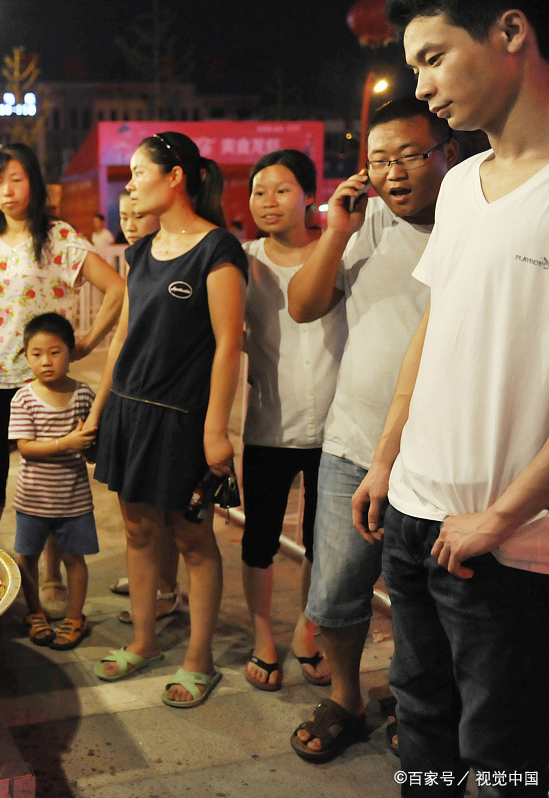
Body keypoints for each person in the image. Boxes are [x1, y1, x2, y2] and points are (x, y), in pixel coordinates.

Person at [353, 2, 549, 792]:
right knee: (421, 719)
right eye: (415, 66)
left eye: (434, 58)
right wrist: (385, 462)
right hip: (413, 515)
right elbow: (433, 333)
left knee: (504, 752)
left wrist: (502, 517)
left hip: (505, 542)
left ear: (509, 31)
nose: (423, 87)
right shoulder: (464, 182)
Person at [285, 96, 458, 762]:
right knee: (333, 596)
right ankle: (348, 698)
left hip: (440, 457)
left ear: (446, 151)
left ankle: (419, 709)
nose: (394, 172)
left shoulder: (473, 226)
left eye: (410, 155)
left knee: (426, 605)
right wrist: (335, 231)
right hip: (352, 445)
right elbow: (302, 306)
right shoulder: (366, 223)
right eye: (379, 159)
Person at [86, 132, 246, 710]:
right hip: (129, 414)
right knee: (136, 530)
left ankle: (199, 660)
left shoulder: (218, 250)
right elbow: (122, 339)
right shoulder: (138, 252)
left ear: (175, 176)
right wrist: (101, 413)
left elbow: (228, 346)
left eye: (138, 173)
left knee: (193, 538)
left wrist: (215, 430)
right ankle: (144, 641)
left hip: (182, 421)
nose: (130, 185)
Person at [0, 143, 123, 551]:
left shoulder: (59, 239)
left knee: (51, 480)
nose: (6, 190)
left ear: (34, 182)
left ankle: (53, 578)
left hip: (40, 383)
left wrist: (85, 343)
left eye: (16, 179)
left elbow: (117, 289)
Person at [240, 150, 345, 692]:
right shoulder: (244, 261)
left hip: (337, 430)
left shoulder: (338, 252)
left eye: (282, 189)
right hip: (267, 426)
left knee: (320, 541)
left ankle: (307, 631)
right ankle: (263, 635)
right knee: (259, 539)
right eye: (260, 191)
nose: (268, 201)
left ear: (309, 194)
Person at [109, 189, 182, 625]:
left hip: (168, 403)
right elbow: (123, 333)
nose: (130, 223)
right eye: (123, 216)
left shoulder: (180, 259)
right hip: (132, 399)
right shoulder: (136, 259)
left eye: (138, 214)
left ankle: (166, 589)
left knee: (171, 515)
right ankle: (149, 582)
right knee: (141, 514)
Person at [9, 312, 97, 651]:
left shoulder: (85, 395)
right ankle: (36, 613)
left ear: (71, 352)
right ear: (27, 356)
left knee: (75, 558)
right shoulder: (24, 398)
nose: (46, 361)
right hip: (32, 500)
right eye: (36, 353)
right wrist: (68, 443)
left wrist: (90, 449)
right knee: (27, 558)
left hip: (74, 499)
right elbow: (26, 448)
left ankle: (76, 617)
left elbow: (90, 448)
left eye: (55, 352)